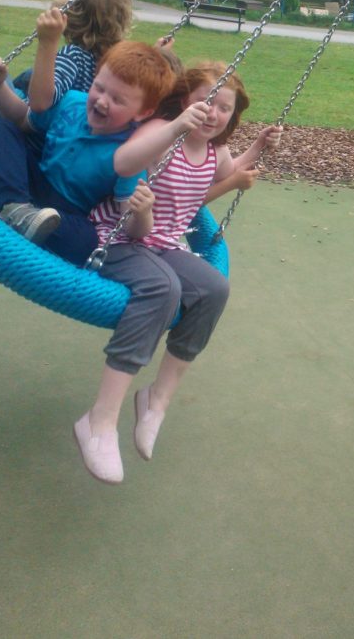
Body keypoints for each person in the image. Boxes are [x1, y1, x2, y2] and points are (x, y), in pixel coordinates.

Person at [74, 61, 283, 484]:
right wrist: (173, 131)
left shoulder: (215, 150)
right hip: (118, 237)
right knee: (162, 288)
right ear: (185, 100)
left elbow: (229, 172)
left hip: (165, 244)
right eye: (206, 101)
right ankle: (99, 420)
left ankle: (156, 401)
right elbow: (126, 172)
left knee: (214, 288)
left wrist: (259, 146)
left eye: (224, 107)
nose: (213, 112)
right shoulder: (161, 132)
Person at [0, 32, 176, 265]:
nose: (102, 101)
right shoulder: (72, 101)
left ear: (142, 113)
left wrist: (142, 213)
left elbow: (130, 226)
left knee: (87, 241)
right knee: (1, 129)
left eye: (117, 100)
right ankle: (14, 208)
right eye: (99, 88)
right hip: (31, 181)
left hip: (65, 212)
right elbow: (21, 120)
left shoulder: (130, 153)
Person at [0, 0, 133, 125]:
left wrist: (48, 42)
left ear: (68, 17)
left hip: (31, 132)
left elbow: (38, 104)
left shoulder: (74, 57)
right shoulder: (116, 62)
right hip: (67, 126)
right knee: (29, 75)